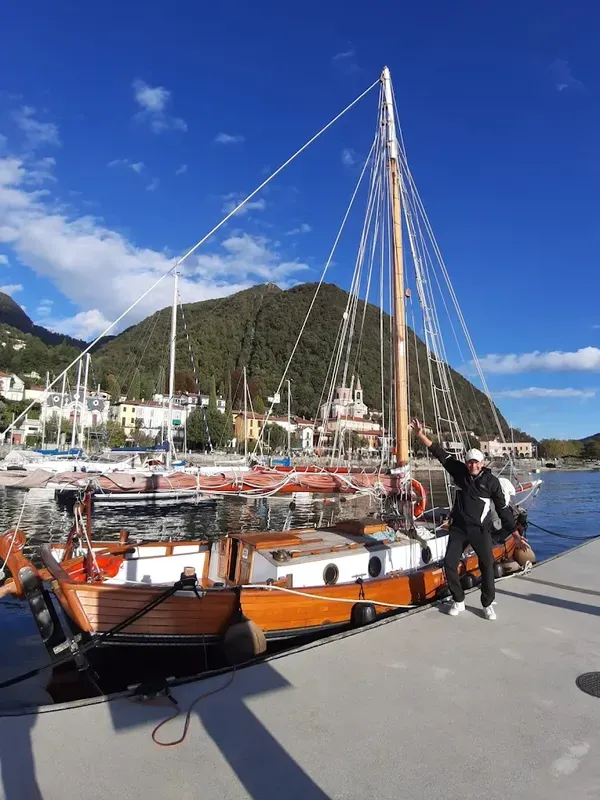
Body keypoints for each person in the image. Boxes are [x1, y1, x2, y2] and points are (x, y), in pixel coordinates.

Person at [410, 419, 526, 620]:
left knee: (487, 564)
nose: (473, 465)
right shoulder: (459, 472)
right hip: (459, 529)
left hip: (480, 530)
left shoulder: (491, 482)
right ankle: (458, 600)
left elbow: (503, 509)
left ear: (482, 463)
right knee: (449, 563)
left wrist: (515, 533)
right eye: (470, 462)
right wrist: (420, 435)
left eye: (476, 462)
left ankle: (487, 603)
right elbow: (440, 453)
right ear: (466, 463)